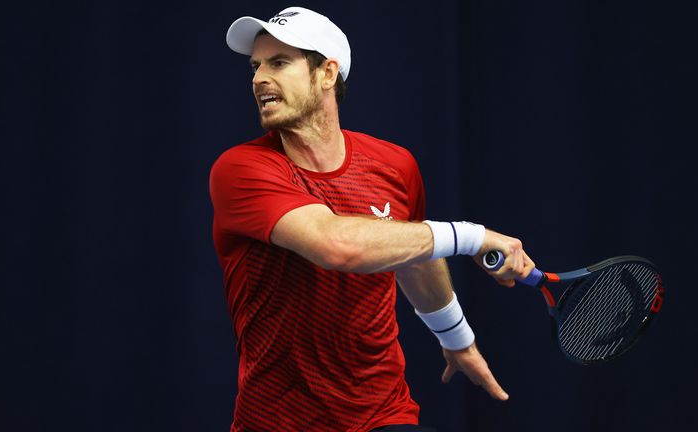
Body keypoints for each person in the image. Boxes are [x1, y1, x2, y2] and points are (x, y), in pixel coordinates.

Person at [210, 6, 535, 431]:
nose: (258, 78)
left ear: (327, 74)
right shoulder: (242, 169)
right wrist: (473, 237)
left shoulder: (394, 165)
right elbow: (337, 245)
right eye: (255, 66)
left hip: (383, 414)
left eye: (279, 62)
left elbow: (413, 251)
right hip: (278, 421)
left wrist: (457, 339)